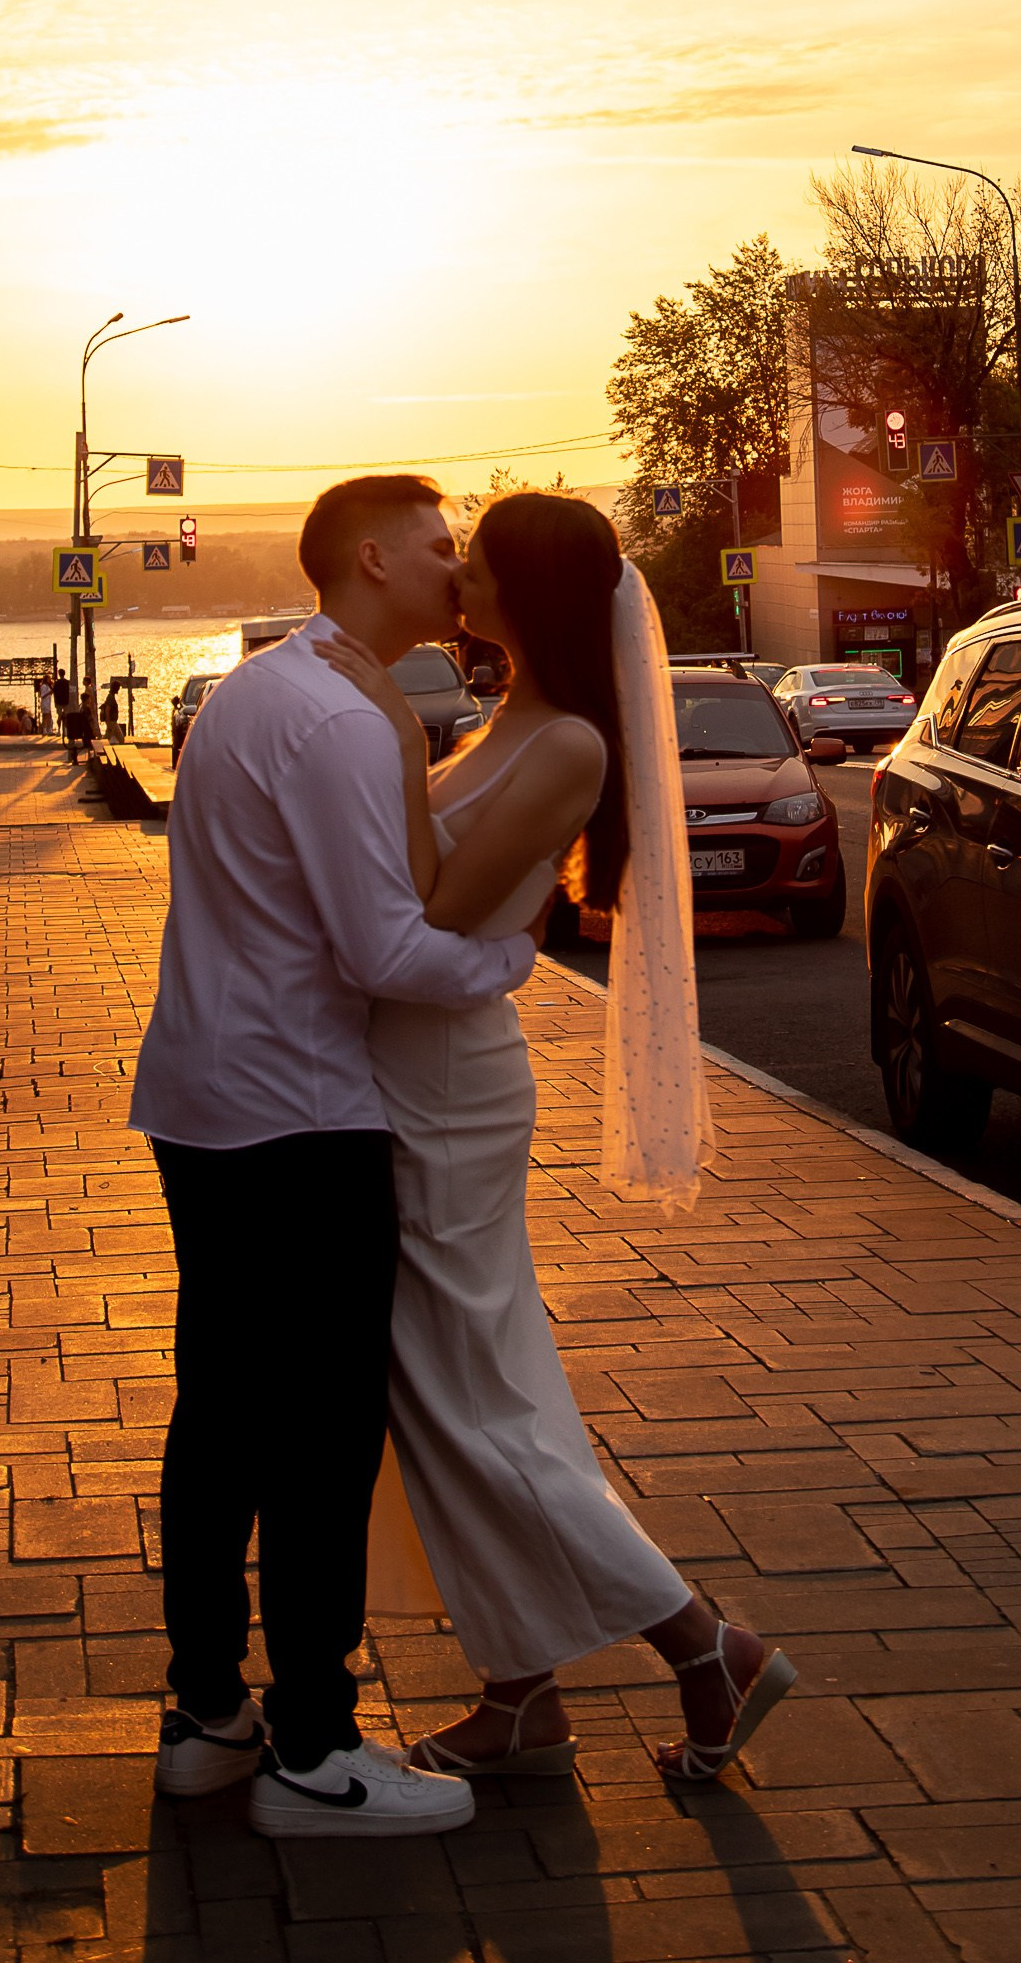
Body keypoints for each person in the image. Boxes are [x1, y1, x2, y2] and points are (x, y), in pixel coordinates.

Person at [317, 492, 796, 1787]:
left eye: (476, 562)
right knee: (478, 1391)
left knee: (467, 1403)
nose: (456, 577)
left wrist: (387, 732)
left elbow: (430, 911)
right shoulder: (503, 722)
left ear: (527, 591)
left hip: (447, 1091)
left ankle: (704, 1647)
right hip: (412, 1071)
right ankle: (521, 1694)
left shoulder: (569, 743)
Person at [128, 476, 535, 1840]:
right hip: (300, 1111)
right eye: (438, 546)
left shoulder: (259, 690)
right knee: (319, 1432)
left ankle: (206, 1714)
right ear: (371, 558)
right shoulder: (344, 720)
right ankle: (314, 1744)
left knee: (221, 1415)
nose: (457, 569)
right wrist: (512, 955)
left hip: (203, 1095)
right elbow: (382, 950)